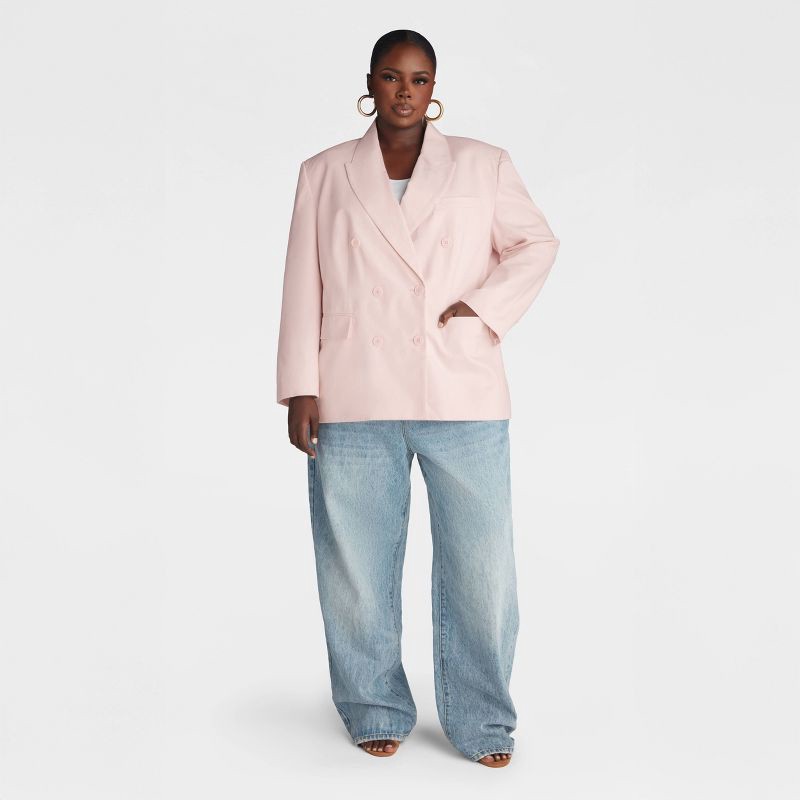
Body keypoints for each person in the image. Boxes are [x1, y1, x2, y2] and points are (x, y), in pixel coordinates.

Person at [276, 29, 560, 768]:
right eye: (392, 76)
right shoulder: (323, 173)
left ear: (434, 90)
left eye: (420, 78)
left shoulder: (482, 164)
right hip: (353, 386)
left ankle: (483, 717)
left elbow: (536, 244)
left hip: (459, 384)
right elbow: (303, 279)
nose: (405, 90)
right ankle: (373, 704)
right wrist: (299, 386)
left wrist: (482, 309)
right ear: (370, 82)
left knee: (482, 566)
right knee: (356, 567)